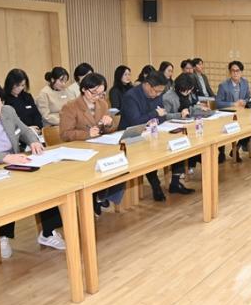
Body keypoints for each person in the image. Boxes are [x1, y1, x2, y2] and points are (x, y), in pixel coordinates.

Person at [0, 81, 66, 257]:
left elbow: (24, 130)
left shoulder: (8, 111)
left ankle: (48, 232)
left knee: (46, 186)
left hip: (15, 162)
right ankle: (3, 236)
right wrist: (3, 158)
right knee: (5, 194)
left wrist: (34, 141)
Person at [119, 70, 194, 199]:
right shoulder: (131, 96)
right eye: (157, 91)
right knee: (148, 153)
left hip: (152, 132)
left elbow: (162, 116)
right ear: (148, 85)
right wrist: (154, 114)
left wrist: (156, 118)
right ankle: (156, 186)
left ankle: (175, 183)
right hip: (131, 137)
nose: (159, 95)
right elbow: (135, 121)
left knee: (177, 143)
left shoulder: (157, 94)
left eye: (161, 92)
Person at [60, 73, 124, 214]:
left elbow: (110, 129)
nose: (97, 97)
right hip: (80, 151)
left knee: (120, 163)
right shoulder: (70, 107)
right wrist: (87, 134)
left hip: (100, 147)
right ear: (84, 89)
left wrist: (109, 123)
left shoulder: (103, 104)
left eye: (101, 93)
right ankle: (96, 197)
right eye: (94, 93)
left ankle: (102, 195)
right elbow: (65, 134)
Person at [216, 60, 251, 163]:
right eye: (233, 71)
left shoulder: (245, 83)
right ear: (229, 72)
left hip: (241, 114)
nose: (235, 73)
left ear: (241, 72)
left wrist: (244, 102)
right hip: (227, 115)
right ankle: (221, 153)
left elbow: (248, 97)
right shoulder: (223, 85)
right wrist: (233, 104)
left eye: (237, 71)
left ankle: (236, 148)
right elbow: (218, 103)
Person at [3, 68, 43, 135]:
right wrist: (28, 129)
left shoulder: (27, 96)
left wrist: (38, 128)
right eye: (17, 85)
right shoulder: (4, 99)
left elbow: (36, 114)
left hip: (35, 133)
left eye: (23, 85)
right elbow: (10, 123)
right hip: (19, 135)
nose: (20, 88)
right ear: (10, 83)